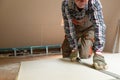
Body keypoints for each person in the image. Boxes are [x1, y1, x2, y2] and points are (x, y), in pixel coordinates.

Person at [61, 0, 107, 70]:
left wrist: (98, 52)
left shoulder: (94, 2)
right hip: (75, 28)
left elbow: (99, 25)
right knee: (66, 50)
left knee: (84, 55)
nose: (81, 2)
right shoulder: (66, 3)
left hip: (89, 28)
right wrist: (74, 48)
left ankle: (85, 45)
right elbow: (69, 27)